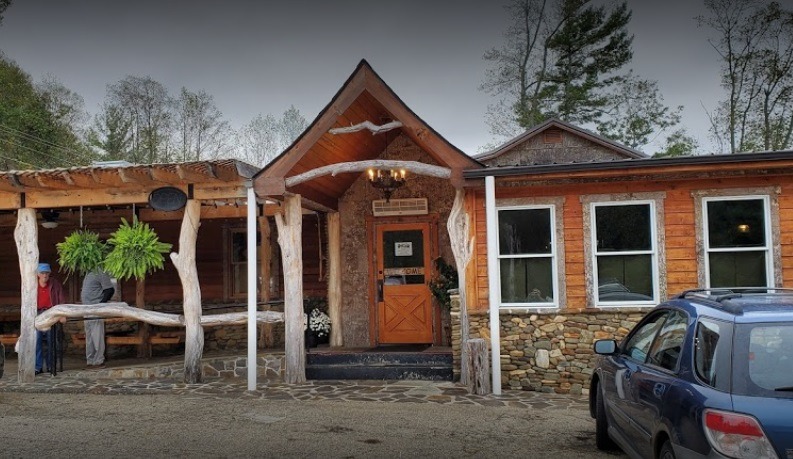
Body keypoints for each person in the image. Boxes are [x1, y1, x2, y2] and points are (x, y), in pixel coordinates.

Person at [81, 269, 114, 369]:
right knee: (89, 337)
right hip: (86, 309)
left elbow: (110, 290)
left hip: (95, 309)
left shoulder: (100, 272)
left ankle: (99, 361)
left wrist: (100, 305)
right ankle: (90, 361)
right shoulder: (88, 272)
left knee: (97, 336)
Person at [36, 263, 65, 375]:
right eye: (42, 273)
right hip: (37, 314)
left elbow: (61, 298)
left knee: (51, 341)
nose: (45, 275)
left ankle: (50, 366)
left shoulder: (55, 284)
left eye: (47, 273)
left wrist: (62, 314)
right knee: (36, 341)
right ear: (38, 274)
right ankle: (37, 367)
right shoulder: (33, 284)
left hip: (50, 313)